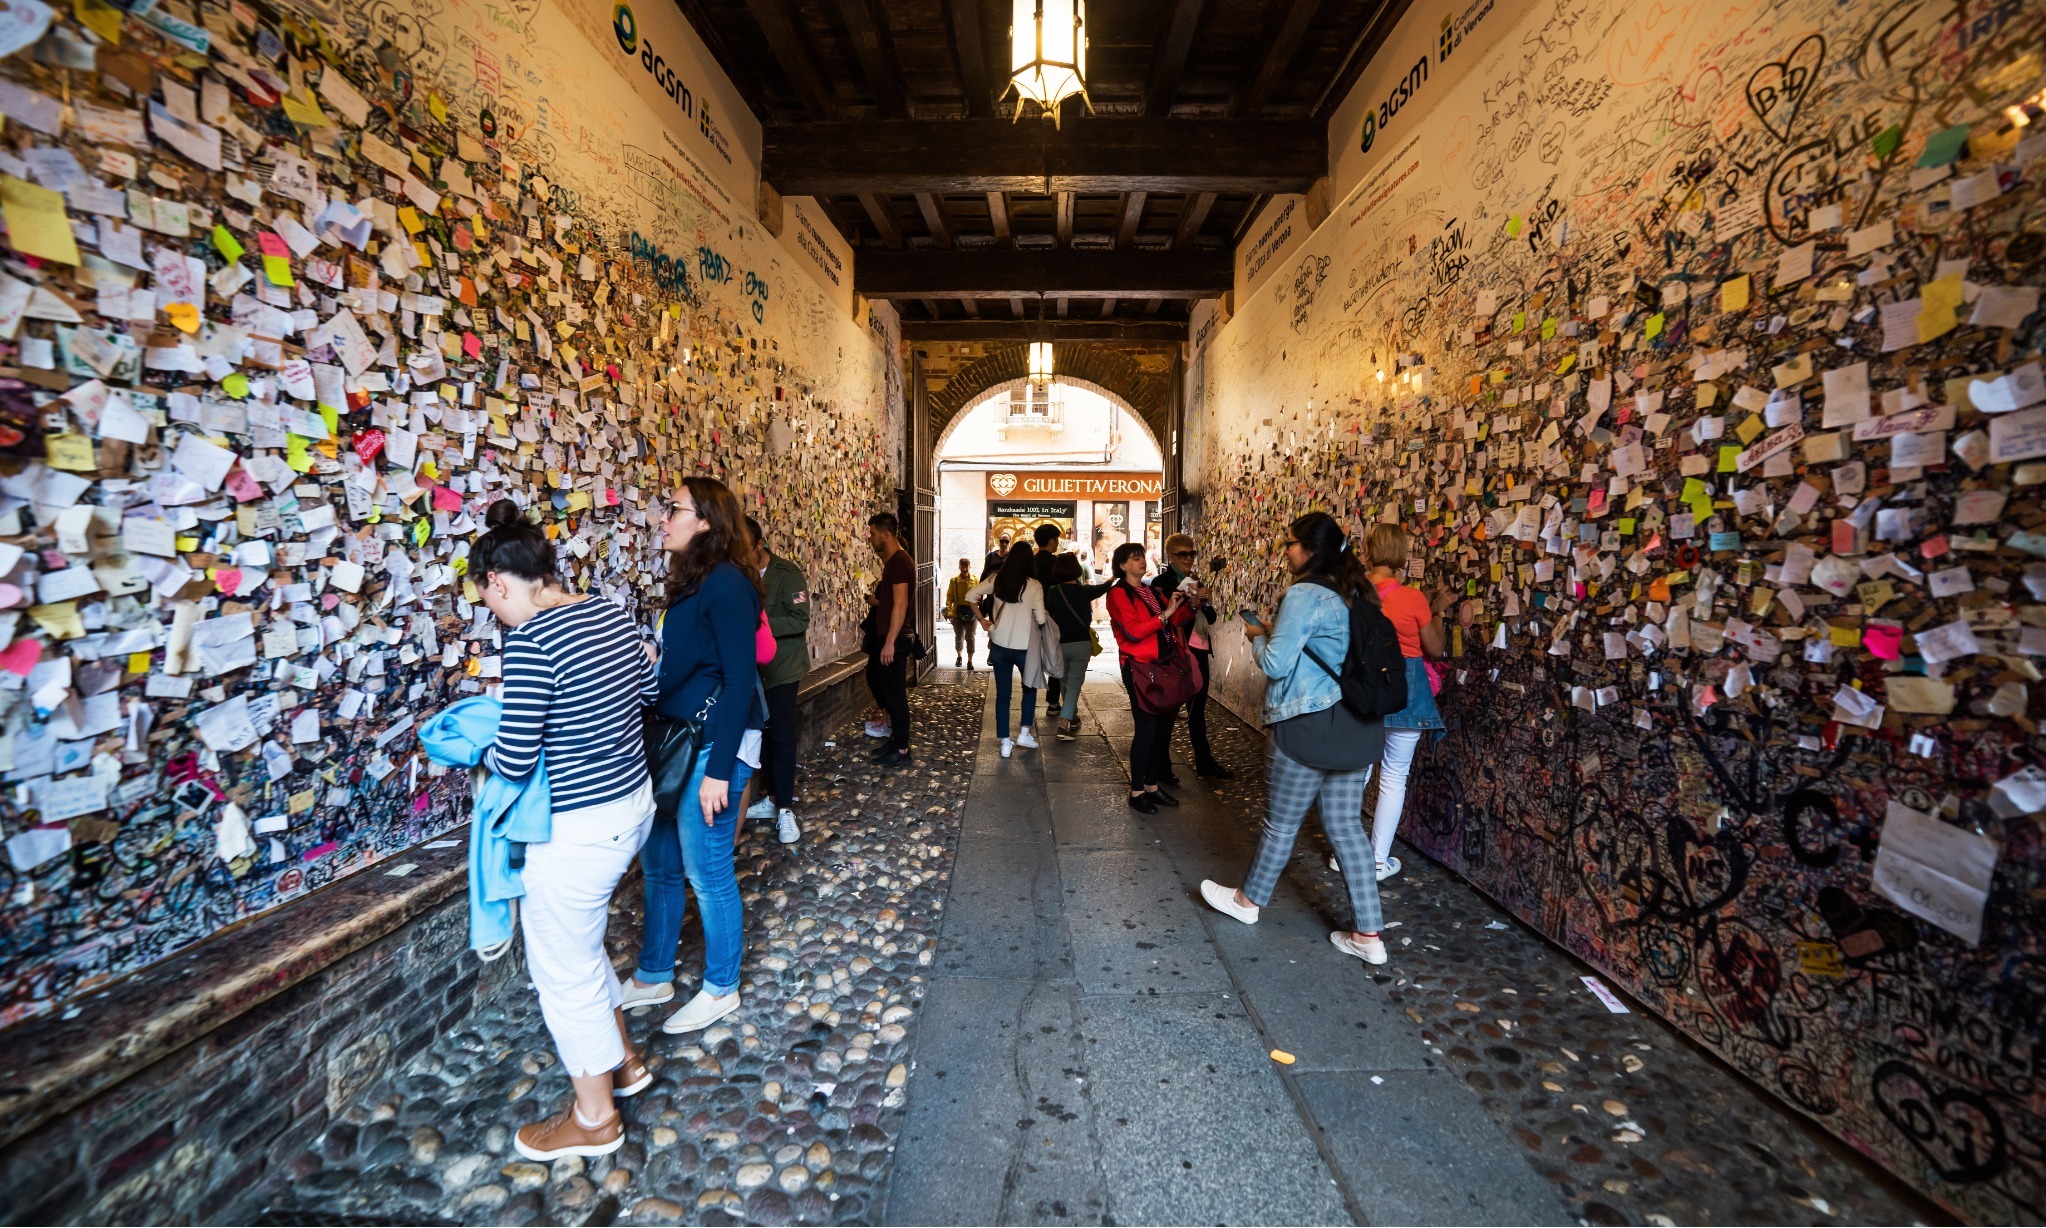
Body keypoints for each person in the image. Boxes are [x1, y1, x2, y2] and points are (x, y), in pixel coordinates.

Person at [469, 499, 659, 1161]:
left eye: (487, 600)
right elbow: (648, 689)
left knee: (561, 969)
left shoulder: (531, 641)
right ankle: (625, 1063)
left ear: (498, 582)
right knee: (582, 948)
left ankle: (595, 1118)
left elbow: (517, 757)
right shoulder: (607, 611)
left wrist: (478, 748)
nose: (493, 614)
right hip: (633, 808)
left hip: (579, 831)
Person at [1198, 511, 1392, 966]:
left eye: (1289, 543)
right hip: (1356, 726)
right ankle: (1369, 935)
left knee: (1281, 824)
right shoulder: (1359, 591)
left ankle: (1246, 902)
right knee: (1347, 829)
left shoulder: (1304, 594)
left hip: (1307, 725)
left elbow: (1275, 664)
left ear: (1309, 550)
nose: (1285, 550)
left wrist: (1257, 636)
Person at [622, 478, 767, 1035]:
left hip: (708, 749)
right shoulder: (692, 581)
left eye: (674, 509)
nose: (663, 518)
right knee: (660, 864)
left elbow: (739, 679)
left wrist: (719, 772)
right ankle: (654, 974)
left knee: (707, 871)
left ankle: (721, 987)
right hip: (672, 744)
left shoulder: (728, 584)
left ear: (705, 520)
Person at [1340, 522, 1452, 882]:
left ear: (1368, 550)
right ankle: (1376, 862)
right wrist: (1438, 612)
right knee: (1393, 777)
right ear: (1402, 554)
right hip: (1406, 692)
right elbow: (1436, 648)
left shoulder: (1352, 592)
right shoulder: (1413, 599)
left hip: (1362, 691)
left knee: (1356, 772)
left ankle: (1345, 855)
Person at [1105, 541, 1192, 812]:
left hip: (1163, 664)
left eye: (1142, 556)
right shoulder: (1118, 593)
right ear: (1122, 565)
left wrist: (1187, 604)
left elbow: (1173, 621)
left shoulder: (1150, 590)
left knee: (1163, 730)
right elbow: (1133, 631)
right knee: (1146, 730)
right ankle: (1137, 792)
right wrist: (1165, 614)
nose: (1142, 561)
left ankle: (1152, 786)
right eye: (1135, 558)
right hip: (1139, 667)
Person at [737, 516, 808, 846]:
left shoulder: (787, 573)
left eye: (744, 549)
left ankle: (785, 808)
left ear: (759, 545)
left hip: (783, 669)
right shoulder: (739, 575)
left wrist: (759, 623)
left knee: (782, 737)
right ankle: (770, 796)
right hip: (754, 672)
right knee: (762, 736)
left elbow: (800, 618)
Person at [1151, 533, 1235, 780]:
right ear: (1170, 556)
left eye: (1192, 553)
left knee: (1197, 710)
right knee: (1170, 710)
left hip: (1198, 651)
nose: (1188, 558)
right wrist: (1189, 597)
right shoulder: (1162, 582)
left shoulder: (1196, 581)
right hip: (1177, 653)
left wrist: (1203, 601)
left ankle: (1204, 762)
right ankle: (1161, 765)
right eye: (1182, 554)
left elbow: (1211, 618)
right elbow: (1165, 616)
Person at [965, 541, 1047, 758]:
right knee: (1029, 688)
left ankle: (1004, 744)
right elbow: (1040, 619)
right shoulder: (1034, 585)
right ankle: (1024, 734)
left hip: (1000, 645)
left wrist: (982, 620)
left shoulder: (997, 579)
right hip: (1025, 648)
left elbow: (970, 596)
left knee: (1003, 694)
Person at [864, 511, 915, 767]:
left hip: (895, 639)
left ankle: (902, 749)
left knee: (895, 697)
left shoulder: (900, 562)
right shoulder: (893, 562)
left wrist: (890, 642)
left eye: (872, 534)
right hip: (889, 637)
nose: (870, 538)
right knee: (888, 691)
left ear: (885, 534)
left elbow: (900, 604)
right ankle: (895, 742)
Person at [1045, 553, 1114, 739]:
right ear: (1076, 569)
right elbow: (1103, 588)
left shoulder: (1053, 591)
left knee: (1065, 681)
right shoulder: (1084, 591)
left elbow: (1050, 613)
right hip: (1081, 644)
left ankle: (1072, 716)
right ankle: (1064, 723)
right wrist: (1113, 577)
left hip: (1060, 644)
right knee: (1074, 682)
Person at [1031, 523, 1067, 718]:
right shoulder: (1057, 562)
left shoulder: (1031, 562)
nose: (1058, 543)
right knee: (1055, 656)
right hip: (1054, 616)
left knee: (1032, 658)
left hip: (1032, 615)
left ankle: (1029, 700)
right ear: (1052, 541)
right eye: (1057, 539)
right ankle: (1053, 703)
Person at [945, 558, 979, 668]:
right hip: (957, 613)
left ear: (970, 566)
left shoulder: (975, 580)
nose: (964, 569)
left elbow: (980, 595)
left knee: (970, 637)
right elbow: (949, 597)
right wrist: (949, 611)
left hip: (972, 612)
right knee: (959, 636)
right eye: (962, 566)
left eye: (966, 566)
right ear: (959, 567)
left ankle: (970, 661)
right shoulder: (954, 581)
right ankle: (959, 656)